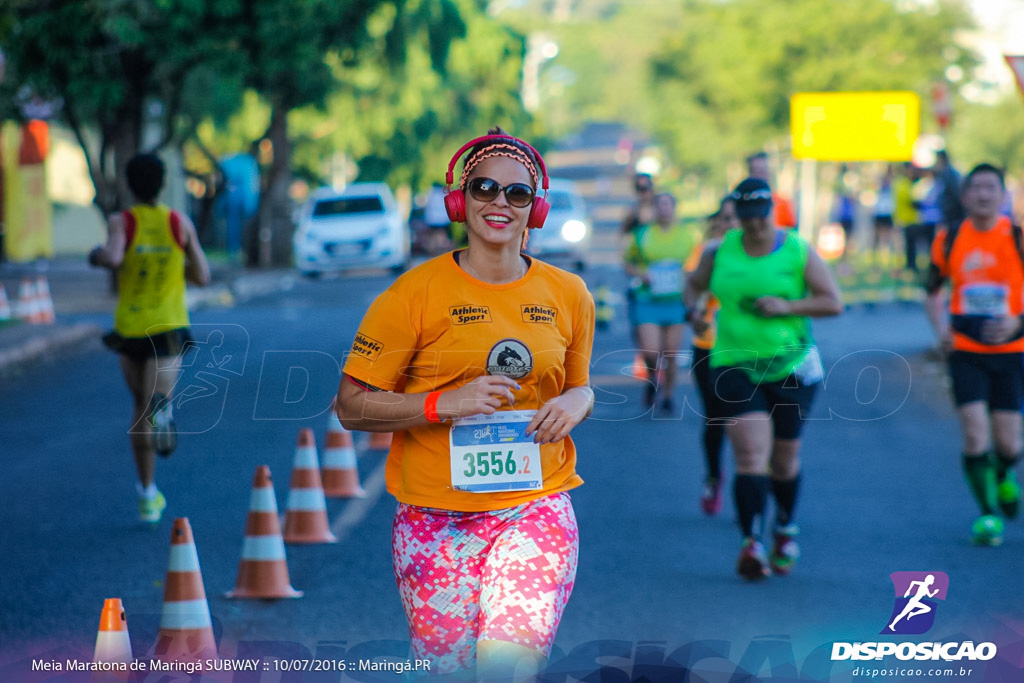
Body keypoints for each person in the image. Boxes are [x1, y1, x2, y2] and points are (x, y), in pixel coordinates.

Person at [336, 129, 596, 680]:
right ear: (460, 201)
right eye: (484, 188)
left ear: (536, 209)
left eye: (517, 194)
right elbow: (352, 407)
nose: (500, 202)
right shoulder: (411, 294)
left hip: (534, 507)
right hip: (433, 521)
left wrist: (581, 400)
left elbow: (578, 384)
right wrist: (442, 404)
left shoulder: (570, 293)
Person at [684, 177, 843, 580]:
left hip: (792, 368)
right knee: (751, 456)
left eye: (761, 217)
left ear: (772, 212)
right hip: (734, 364)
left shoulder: (797, 251)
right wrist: (696, 311)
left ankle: (785, 528)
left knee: (784, 461)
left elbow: (832, 303)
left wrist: (787, 305)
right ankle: (750, 542)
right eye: (747, 217)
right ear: (738, 215)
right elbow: (694, 285)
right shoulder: (719, 251)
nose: (755, 226)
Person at [88, 153, 210, 524]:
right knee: (153, 405)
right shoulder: (179, 222)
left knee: (138, 409)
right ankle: (164, 409)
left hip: (130, 329)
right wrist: (176, 264)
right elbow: (203, 275)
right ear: (162, 184)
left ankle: (147, 494)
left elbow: (111, 257)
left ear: (129, 185)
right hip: (168, 326)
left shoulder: (121, 221)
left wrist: (95, 256)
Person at [924, 163, 1023, 547]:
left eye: (990, 188)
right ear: (965, 197)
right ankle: (987, 514)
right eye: (976, 188)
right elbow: (932, 292)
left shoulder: (1016, 237)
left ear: (1002, 195)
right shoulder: (949, 239)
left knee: (1009, 444)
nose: (983, 195)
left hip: (1011, 350)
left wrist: (1017, 324)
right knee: (974, 434)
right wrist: (941, 330)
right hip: (965, 350)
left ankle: (1003, 475)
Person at [684, 195, 738, 515]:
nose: (731, 225)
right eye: (726, 218)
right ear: (717, 222)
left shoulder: (755, 257)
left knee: (752, 420)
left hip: (748, 351)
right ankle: (714, 476)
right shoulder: (707, 252)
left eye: (736, 218)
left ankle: (754, 474)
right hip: (708, 346)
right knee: (716, 418)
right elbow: (690, 287)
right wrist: (695, 312)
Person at [623, 192, 698, 414]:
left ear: (675, 208)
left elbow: (694, 266)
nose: (664, 209)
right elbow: (628, 263)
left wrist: (691, 289)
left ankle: (667, 396)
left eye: (668, 205)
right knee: (652, 352)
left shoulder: (687, 236)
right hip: (648, 301)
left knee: (672, 354)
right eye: (660, 205)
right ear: (655, 209)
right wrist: (642, 275)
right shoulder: (643, 234)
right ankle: (651, 377)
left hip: (675, 302)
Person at [746, 151, 796, 229]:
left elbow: (790, 233)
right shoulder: (741, 203)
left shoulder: (782, 204)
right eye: (756, 172)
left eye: (763, 171)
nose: (760, 176)